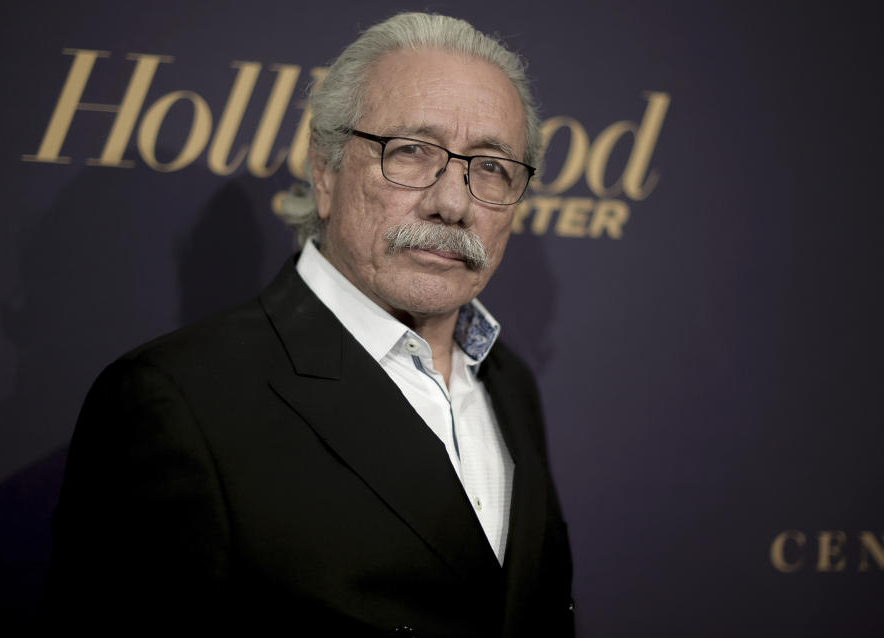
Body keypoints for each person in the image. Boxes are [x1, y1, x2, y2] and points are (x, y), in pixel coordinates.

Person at [47, 12, 574, 637]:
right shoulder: (175, 401)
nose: (452, 202)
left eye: (490, 167)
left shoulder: (510, 384)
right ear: (325, 172)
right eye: (410, 151)